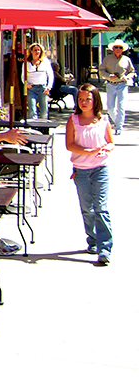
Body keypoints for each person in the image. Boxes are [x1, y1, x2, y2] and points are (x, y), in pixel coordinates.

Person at [65, 83, 114, 265]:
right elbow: (69, 145)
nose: (84, 102)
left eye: (88, 99)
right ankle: (92, 240)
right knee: (87, 208)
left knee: (101, 207)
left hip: (100, 169)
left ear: (95, 100)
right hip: (81, 171)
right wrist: (88, 151)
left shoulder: (103, 119)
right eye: (81, 99)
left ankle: (105, 248)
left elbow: (110, 142)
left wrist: (105, 149)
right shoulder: (74, 120)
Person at [98, 39, 135, 135]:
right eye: (116, 47)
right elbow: (101, 71)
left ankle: (119, 127)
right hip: (111, 84)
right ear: (113, 49)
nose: (118, 49)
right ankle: (117, 121)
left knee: (121, 106)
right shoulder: (107, 59)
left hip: (122, 85)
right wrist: (108, 76)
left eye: (120, 47)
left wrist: (126, 77)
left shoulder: (126, 60)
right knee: (110, 107)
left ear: (123, 49)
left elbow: (132, 72)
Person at [23, 42, 54, 120]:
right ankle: (32, 125)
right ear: (31, 51)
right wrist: (26, 84)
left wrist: (49, 87)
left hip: (42, 87)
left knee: (44, 108)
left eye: (39, 50)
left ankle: (43, 125)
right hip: (31, 88)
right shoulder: (27, 63)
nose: (37, 52)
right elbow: (23, 75)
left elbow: (50, 75)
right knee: (32, 108)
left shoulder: (45, 62)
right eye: (35, 50)